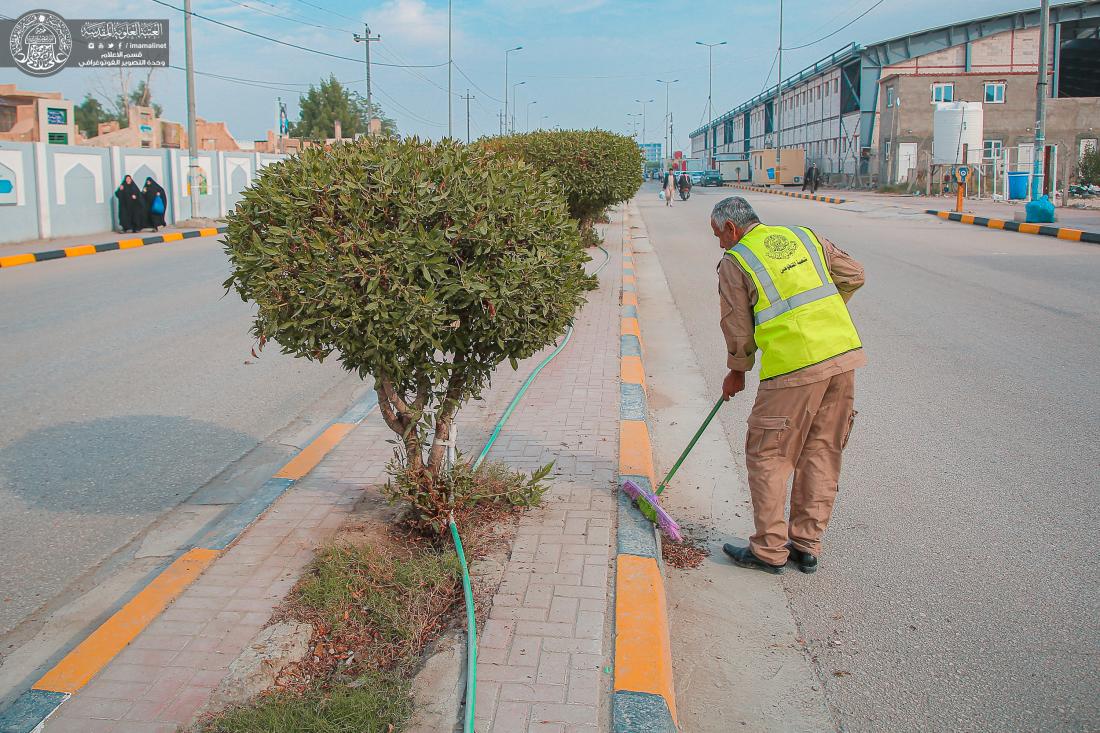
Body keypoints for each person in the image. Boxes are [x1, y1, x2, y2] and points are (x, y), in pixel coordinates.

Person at [710, 196, 865, 575]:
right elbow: (854, 275)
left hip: (792, 369)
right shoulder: (802, 236)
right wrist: (822, 316)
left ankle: (768, 549)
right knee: (822, 450)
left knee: (768, 455)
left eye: (718, 235)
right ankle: (806, 545)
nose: (719, 243)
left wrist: (737, 370)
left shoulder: (737, 259)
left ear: (732, 228)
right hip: (841, 357)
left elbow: (737, 325)